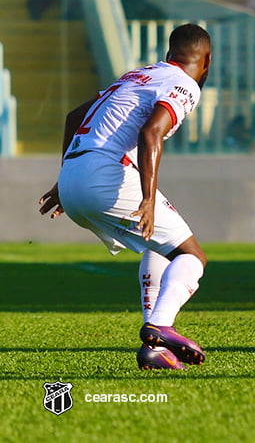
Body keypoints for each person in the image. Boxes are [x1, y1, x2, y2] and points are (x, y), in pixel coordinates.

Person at [38, 24, 213, 370]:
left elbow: (74, 116)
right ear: (206, 61)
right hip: (106, 175)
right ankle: (161, 325)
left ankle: (156, 346)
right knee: (193, 256)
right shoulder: (185, 83)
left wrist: (62, 181)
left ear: (168, 55)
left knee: (160, 244)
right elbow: (152, 133)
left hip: (73, 175)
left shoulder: (139, 75)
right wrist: (148, 198)